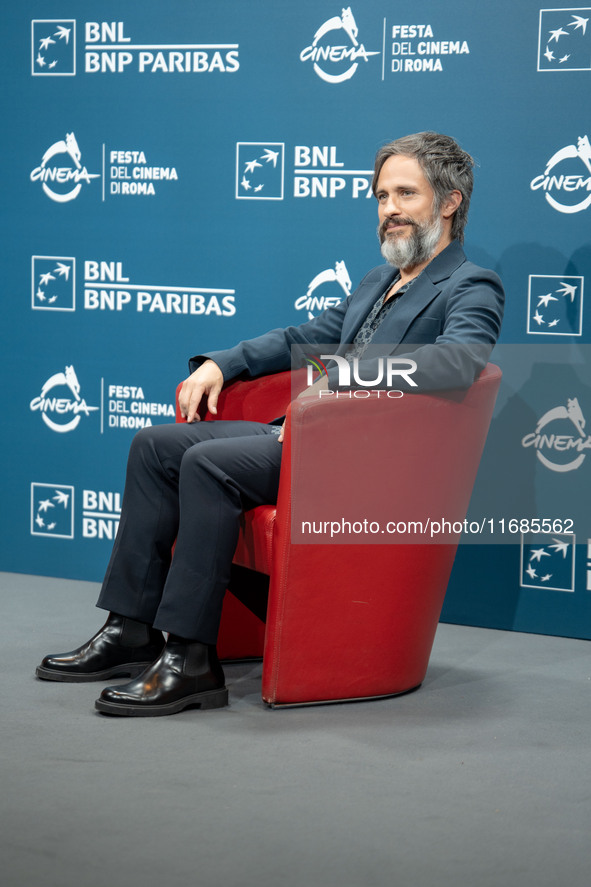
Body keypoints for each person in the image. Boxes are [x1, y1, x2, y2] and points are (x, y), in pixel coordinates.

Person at [36, 131, 504, 717]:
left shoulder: (470, 283)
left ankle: (190, 658)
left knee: (206, 463)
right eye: (381, 196)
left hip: (359, 459)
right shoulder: (377, 282)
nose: (388, 210)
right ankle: (130, 628)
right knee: (155, 446)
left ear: (450, 202)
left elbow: (461, 362)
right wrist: (222, 363)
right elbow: (299, 340)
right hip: (302, 434)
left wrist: (350, 377)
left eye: (404, 195)